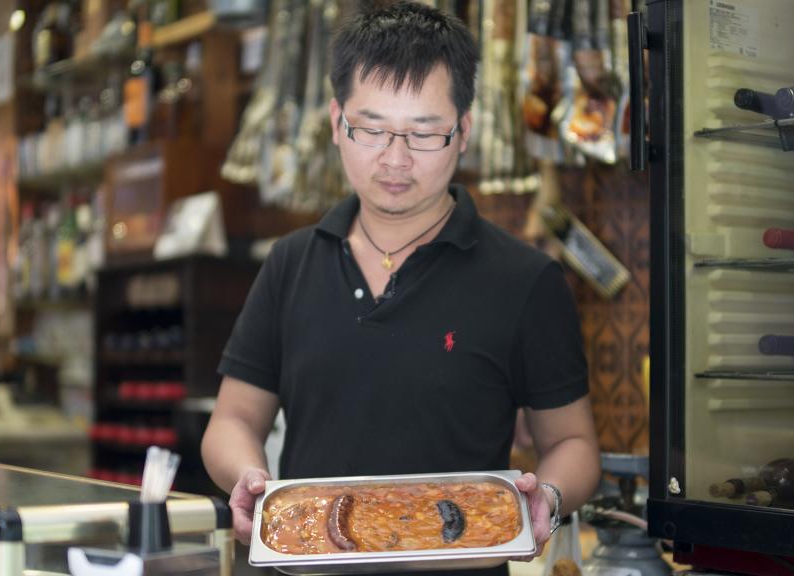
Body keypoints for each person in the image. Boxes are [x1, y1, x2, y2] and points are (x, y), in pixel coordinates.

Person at [202, 1, 600, 572]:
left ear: (463, 131)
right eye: (371, 129)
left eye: (423, 133)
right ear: (338, 123)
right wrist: (246, 476)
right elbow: (234, 420)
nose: (394, 159)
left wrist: (549, 498)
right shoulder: (290, 263)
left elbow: (574, 444)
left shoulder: (525, 280)